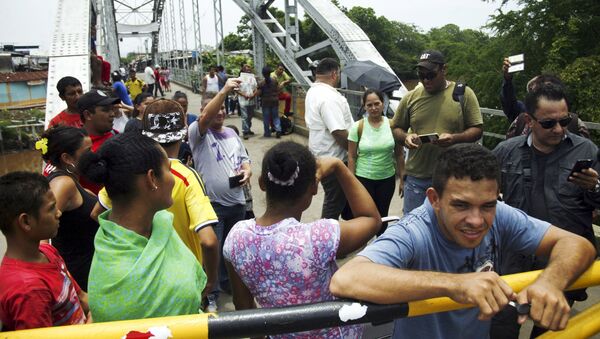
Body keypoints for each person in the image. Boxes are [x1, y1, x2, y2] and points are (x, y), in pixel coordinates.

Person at [330, 144, 597, 339]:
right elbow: (347, 278)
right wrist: (455, 285)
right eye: (461, 205)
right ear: (434, 199)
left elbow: (577, 244)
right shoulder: (415, 230)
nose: (476, 220)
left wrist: (551, 282)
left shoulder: (500, 214)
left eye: (487, 205)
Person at [224, 141, 381, 338]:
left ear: (262, 183)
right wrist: (339, 168)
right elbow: (371, 219)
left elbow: (244, 307)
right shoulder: (319, 237)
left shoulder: (236, 239)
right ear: (314, 188)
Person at [491, 81, 600, 338]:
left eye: (565, 120)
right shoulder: (505, 152)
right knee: (501, 327)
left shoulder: (587, 150)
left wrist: (594, 187)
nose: (559, 129)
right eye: (549, 123)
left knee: (550, 332)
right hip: (512, 262)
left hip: (562, 263)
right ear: (529, 120)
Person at [95, 99, 220, 307]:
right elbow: (208, 240)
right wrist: (212, 280)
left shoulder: (128, 170)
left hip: (135, 276)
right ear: (182, 134)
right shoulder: (186, 177)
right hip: (181, 280)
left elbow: (97, 213)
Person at [80, 132, 207, 322]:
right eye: (168, 170)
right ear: (151, 178)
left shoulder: (160, 225)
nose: (173, 179)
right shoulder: (117, 272)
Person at [392, 50, 483, 215]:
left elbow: (477, 129)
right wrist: (406, 137)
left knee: (450, 228)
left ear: (444, 70)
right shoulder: (410, 98)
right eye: (421, 75)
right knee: (414, 229)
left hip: (453, 176)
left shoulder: (463, 94)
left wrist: (455, 138)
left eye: (431, 75)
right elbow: (396, 129)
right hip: (416, 178)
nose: (426, 80)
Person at [188, 78, 251, 307]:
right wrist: (224, 91)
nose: (221, 112)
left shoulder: (232, 134)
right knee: (212, 253)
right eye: (217, 107)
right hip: (213, 204)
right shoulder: (198, 132)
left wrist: (247, 171)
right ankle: (210, 295)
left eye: (224, 108)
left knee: (231, 251)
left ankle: (228, 284)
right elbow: (205, 117)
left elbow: (244, 160)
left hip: (237, 201)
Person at [0, 172, 89, 331]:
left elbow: (81, 297)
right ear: (26, 221)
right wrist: (93, 325)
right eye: (51, 208)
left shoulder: (47, 251)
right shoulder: (28, 290)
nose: (59, 213)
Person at [37, 126, 98, 291]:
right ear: (67, 158)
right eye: (87, 152)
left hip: (87, 270)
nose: (93, 155)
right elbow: (40, 231)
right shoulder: (63, 184)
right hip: (80, 276)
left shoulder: (71, 181)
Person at [348, 89, 404, 235]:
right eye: (369, 105)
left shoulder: (392, 125)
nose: (373, 108)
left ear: (383, 103)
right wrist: (350, 182)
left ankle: (380, 245)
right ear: (364, 106)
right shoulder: (358, 126)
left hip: (387, 179)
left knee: (383, 215)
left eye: (377, 104)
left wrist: (403, 178)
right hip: (363, 179)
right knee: (365, 216)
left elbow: (399, 154)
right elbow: (352, 156)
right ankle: (365, 243)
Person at [304, 57, 354, 219]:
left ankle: (343, 229)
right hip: (333, 158)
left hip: (320, 152)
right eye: (338, 74)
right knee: (334, 201)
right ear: (334, 74)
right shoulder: (328, 97)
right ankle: (325, 239)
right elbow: (338, 131)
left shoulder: (313, 91)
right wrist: (354, 151)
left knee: (340, 197)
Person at [500, 61, 589, 139]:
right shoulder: (520, 120)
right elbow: (509, 103)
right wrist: (507, 80)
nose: (557, 129)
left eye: (564, 121)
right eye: (547, 123)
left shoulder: (575, 124)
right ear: (529, 120)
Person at [78, 89, 120, 194]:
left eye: (112, 109)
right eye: (106, 110)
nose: (112, 114)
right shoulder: (75, 147)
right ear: (87, 115)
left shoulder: (117, 136)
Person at [257, 66, 282, 138]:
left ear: (263, 74)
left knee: (266, 118)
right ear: (270, 73)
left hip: (265, 102)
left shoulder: (261, 83)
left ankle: (267, 133)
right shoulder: (275, 80)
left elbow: (259, 93)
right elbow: (278, 89)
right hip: (274, 101)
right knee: (276, 117)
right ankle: (278, 130)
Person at [238, 64, 257, 139]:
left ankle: (248, 128)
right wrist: (243, 94)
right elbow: (236, 89)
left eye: (249, 67)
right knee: (245, 116)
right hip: (243, 100)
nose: (248, 68)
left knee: (250, 115)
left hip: (251, 100)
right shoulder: (239, 78)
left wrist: (253, 95)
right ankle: (245, 131)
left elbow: (256, 88)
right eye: (247, 67)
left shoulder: (253, 78)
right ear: (243, 69)